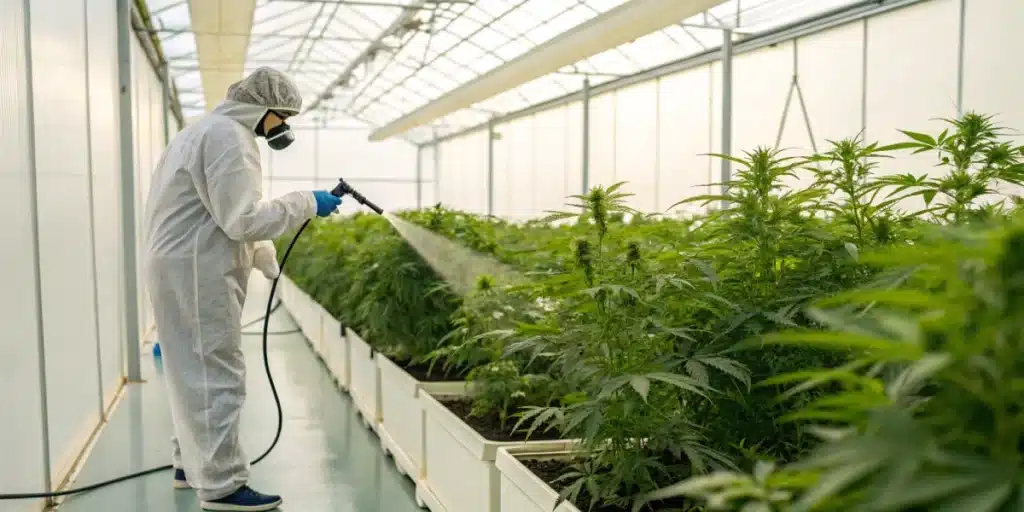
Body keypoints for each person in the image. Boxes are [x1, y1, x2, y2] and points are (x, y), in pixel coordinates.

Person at [143, 67, 341, 511]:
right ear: (262, 109)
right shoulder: (231, 139)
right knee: (217, 374)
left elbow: (220, 212)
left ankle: (188, 465)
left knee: (187, 370)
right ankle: (222, 485)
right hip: (198, 271)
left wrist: (263, 256)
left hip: (179, 265)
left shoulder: (201, 132)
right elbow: (243, 219)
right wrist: (307, 202)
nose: (283, 126)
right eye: (282, 116)